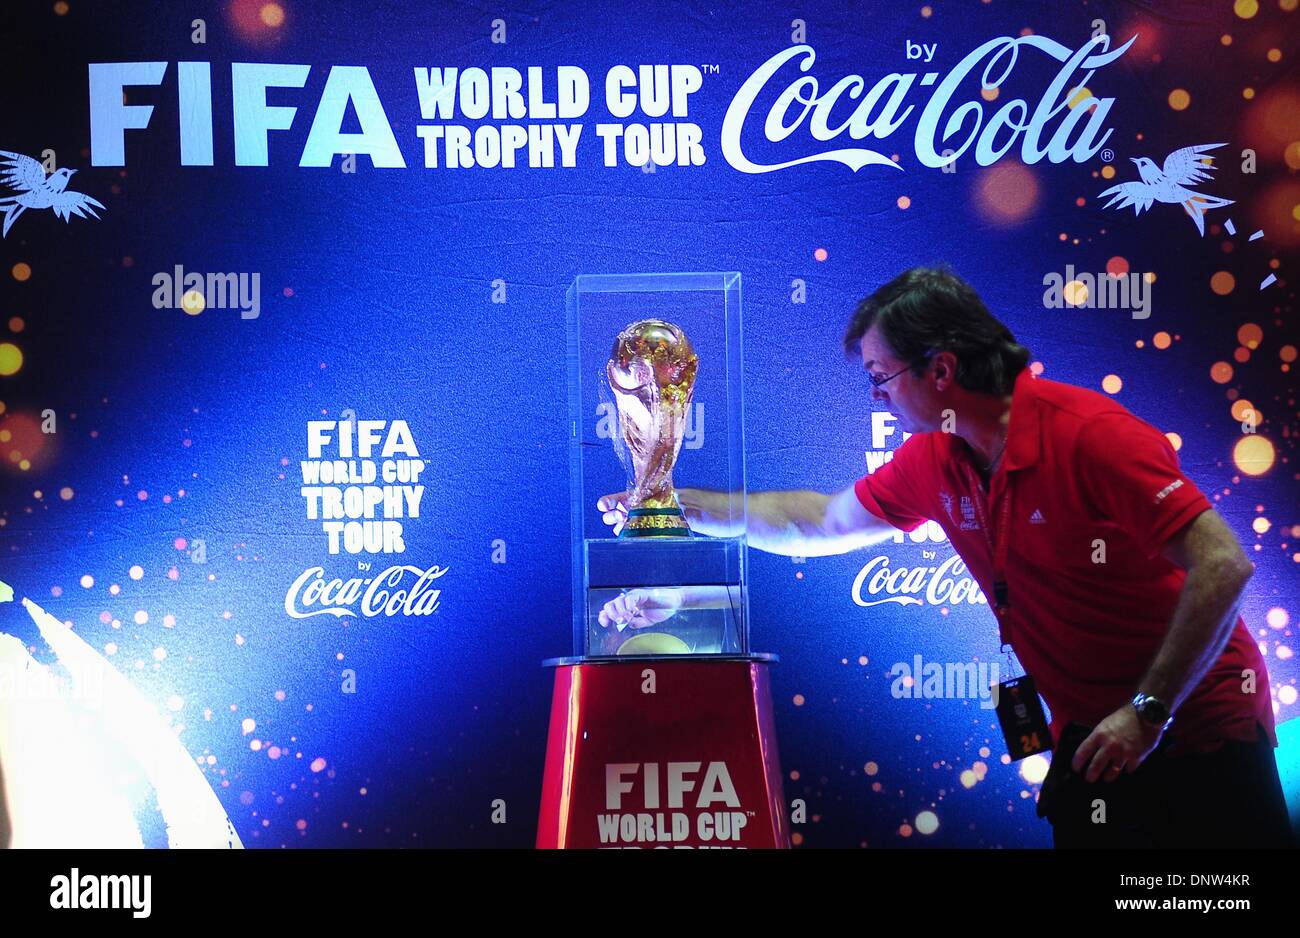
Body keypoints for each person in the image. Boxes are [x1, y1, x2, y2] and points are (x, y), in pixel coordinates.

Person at [595, 265, 1292, 849]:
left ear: (942, 370)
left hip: (1196, 728)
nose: (875, 396)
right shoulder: (934, 458)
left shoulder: (1091, 436)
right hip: (1092, 737)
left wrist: (1147, 710)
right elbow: (817, 521)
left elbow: (1224, 564)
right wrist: (667, 499)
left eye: (880, 376)